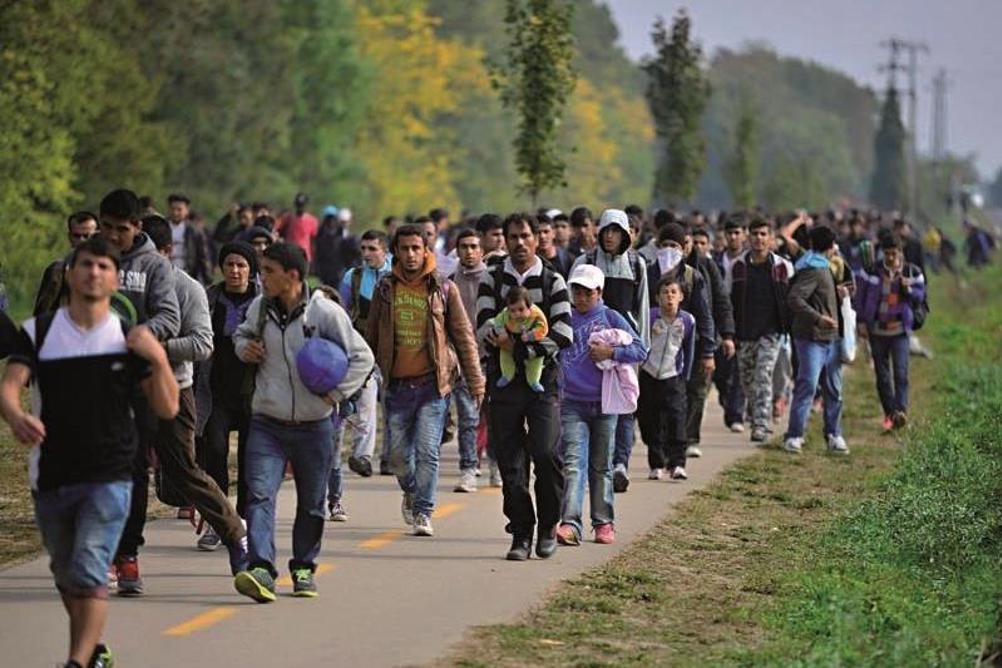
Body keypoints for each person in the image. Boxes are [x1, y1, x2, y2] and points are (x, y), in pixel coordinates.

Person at [0, 237, 179, 668]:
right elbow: (9, 386)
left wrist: (157, 357)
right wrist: (15, 416)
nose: (94, 272)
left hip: (111, 474)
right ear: (69, 272)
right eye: (86, 264)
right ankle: (94, 648)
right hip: (52, 473)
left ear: (115, 279)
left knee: (89, 570)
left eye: (103, 266)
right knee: (66, 574)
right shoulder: (40, 332)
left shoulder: (127, 339)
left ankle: (77, 662)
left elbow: (167, 406)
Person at [232, 243, 373, 602]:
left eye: (267, 271)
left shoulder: (324, 313)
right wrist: (245, 349)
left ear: (292, 276)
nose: (260, 278)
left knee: (312, 502)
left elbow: (362, 357)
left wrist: (335, 394)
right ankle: (261, 566)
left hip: (316, 425)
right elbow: (241, 336)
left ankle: (304, 568)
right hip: (267, 421)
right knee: (260, 495)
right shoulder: (259, 308)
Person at [138, 217, 251, 564]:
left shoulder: (187, 289)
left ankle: (234, 529)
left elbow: (203, 344)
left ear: (167, 252)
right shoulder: (117, 283)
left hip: (181, 387)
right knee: (125, 471)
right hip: (126, 389)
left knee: (186, 470)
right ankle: (124, 553)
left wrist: (154, 347)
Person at [366, 225, 485, 537]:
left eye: (416, 248)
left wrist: (476, 382)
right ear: (396, 252)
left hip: (433, 386)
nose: (410, 255)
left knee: (427, 450)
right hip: (396, 387)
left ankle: (423, 511)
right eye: (404, 249)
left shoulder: (444, 288)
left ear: (426, 250)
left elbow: (463, 336)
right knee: (397, 457)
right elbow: (372, 337)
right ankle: (411, 490)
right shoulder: (384, 289)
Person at [98, 188, 181, 595]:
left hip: (138, 382)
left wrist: (140, 334)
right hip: (89, 382)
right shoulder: (90, 261)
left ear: (137, 227)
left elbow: (169, 315)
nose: (114, 236)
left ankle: (127, 554)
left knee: (132, 470)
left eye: (122, 229)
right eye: (107, 227)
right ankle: (98, 551)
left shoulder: (154, 267)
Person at [477, 213, 573, 561]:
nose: (519, 242)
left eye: (525, 236)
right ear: (504, 239)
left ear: (537, 239)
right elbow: (484, 328)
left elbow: (563, 334)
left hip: (542, 382)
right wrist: (506, 344)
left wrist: (516, 347)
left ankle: (549, 525)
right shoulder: (492, 278)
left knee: (546, 454)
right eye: (512, 236)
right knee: (511, 463)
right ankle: (521, 532)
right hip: (503, 384)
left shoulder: (553, 281)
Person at [556, 265, 647, 546]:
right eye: (576, 291)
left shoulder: (611, 317)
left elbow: (641, 349)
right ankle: (570, 523)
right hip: (571, 403)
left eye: (587, 292)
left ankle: (603, 522)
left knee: (601, 465)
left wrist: (612, 352)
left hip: (605, 405)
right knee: (573, 464)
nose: (581, 297)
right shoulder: (563, 318)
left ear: (600, 292)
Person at [572, 209, 650, 494]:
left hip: (625, 342)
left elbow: (642, 304)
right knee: (594, 401)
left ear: (626, 234)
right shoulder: (586, 261)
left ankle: (620, 464)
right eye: (606, 230)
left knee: (625, 405)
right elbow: (574, 303)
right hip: (589, 344)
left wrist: (642, 346)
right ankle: (593, 458)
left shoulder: (636, 264)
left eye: (616, 231)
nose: (610, 236)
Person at [195, 241, 259, 525]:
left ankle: (244, 518)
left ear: (251, 269)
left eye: (241, 265)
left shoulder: (264, 302)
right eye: (229, 265)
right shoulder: (208, 299)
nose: (235, 271)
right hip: (215, 394)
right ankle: (220, 520)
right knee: (215, 453)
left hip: (254, 395)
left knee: (250, 460)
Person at [782, 226, 848, 454]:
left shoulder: (821, 267)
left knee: (833, 390)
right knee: (807, 386)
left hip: (831, 339)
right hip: (812, 338)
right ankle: (794, 435)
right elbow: (795, 298)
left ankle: (834, 434)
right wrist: (818, 318)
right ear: (831, 247)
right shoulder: (813, 269)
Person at [728, 217, 794, 444]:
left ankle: (761, 424)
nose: (759, 238)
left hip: (772, 331)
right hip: (745, 332)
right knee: (748, 381)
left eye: (763, 234)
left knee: (763, 375)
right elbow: (728, 301)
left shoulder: (782, 267)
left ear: (771, 238)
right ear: (749, 237)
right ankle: (756, 412)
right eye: (755, 234)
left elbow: (792, 299)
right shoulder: (737, 267)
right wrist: (729, 332)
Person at [855, 234, 927, 430]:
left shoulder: (912, 272)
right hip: (877, 330)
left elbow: (920, 296)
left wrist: (908, 290)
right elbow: (859, 297)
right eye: (886, 253)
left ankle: (901, 411)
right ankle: (889, 413)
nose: (890, 257)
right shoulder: (871, 272)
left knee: (901, 373)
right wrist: (861, 322)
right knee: (882, 375)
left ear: (900, 253)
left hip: (900, 331)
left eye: (893, 253)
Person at [337, 230, 392, 481]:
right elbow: (341, 311)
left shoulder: (398, 275)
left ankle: (392, 455)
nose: (367, 254)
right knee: (366, 402)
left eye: (372, 249)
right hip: (362, 348)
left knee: (394, 405)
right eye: (364, 249)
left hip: (395, 346)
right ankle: (363, 456)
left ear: (385, 250)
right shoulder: (354, 276)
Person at [449, 229, 497, 491]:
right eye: (464, 246)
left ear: (481, 250)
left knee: (495, 416)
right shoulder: (448, 282)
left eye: (473, 246)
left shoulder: (493, 280)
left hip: (491, 355)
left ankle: (497, 465)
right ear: (457, 250)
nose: (468, 251)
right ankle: (468, 468)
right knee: (468, 417)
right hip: (462, 359)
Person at [684, 226, 735, 458]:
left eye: (693, 242)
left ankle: (691, 437)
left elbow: (722, 301)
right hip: (670, 341)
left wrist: (727, 335)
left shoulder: (706, 266)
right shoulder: (660, 269)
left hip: (702, 339)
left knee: (697, 390)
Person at [638, 279, 696, 481]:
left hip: (673, 376)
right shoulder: (650, 317)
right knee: (650, 420)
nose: (669, 296)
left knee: (677, 419)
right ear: (657, 297)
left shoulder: (687, 321)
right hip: (649, 374)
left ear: (681, 297)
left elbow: (689, 351)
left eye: (673, 292)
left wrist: (685, 376)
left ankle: (678, 463)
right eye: (664, 292)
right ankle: (656, 463)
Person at [33, 211, 98, 316]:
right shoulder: (57, 271)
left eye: (86, 236)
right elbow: (42, 312)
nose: (81, 241)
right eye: (76, 236)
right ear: (70, 236)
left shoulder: (109, 269)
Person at [488, 287, 549, 393]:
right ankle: (507, 375)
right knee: (505, 354)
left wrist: (531, 335)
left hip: (532, 343)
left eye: (521, 309)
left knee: (536, 360)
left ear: (529, 307)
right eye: (513, 310)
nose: (517, 314)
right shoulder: (505, 314)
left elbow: (543, 328)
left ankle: (534, 380)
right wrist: (502, 332)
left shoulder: (536, 315)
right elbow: (497, 322)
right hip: (511, 338)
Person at [166, 193, 213, 284]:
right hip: (164, 274)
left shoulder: (195, 231)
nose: (175, 213)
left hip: (187, 275)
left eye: (179, 210)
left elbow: (203, 256)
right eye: (173, 209)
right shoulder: (161, 227)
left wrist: (208, 279)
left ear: (187, 210)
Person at [315, 206, 361, 288]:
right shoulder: (323, 236)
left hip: (341, 273)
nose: (330, 222)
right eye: (328, 219)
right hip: (328, 273)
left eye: (332, 219)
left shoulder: (348, 237)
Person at [274, 193, 319, 265]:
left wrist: (314, 256)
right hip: (289, 252)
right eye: (298, 205)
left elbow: (313, 240)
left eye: (302, 205)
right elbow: (277, 230)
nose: (300, 207)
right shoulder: (288, 218)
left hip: (304, 254)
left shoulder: (312, 220)